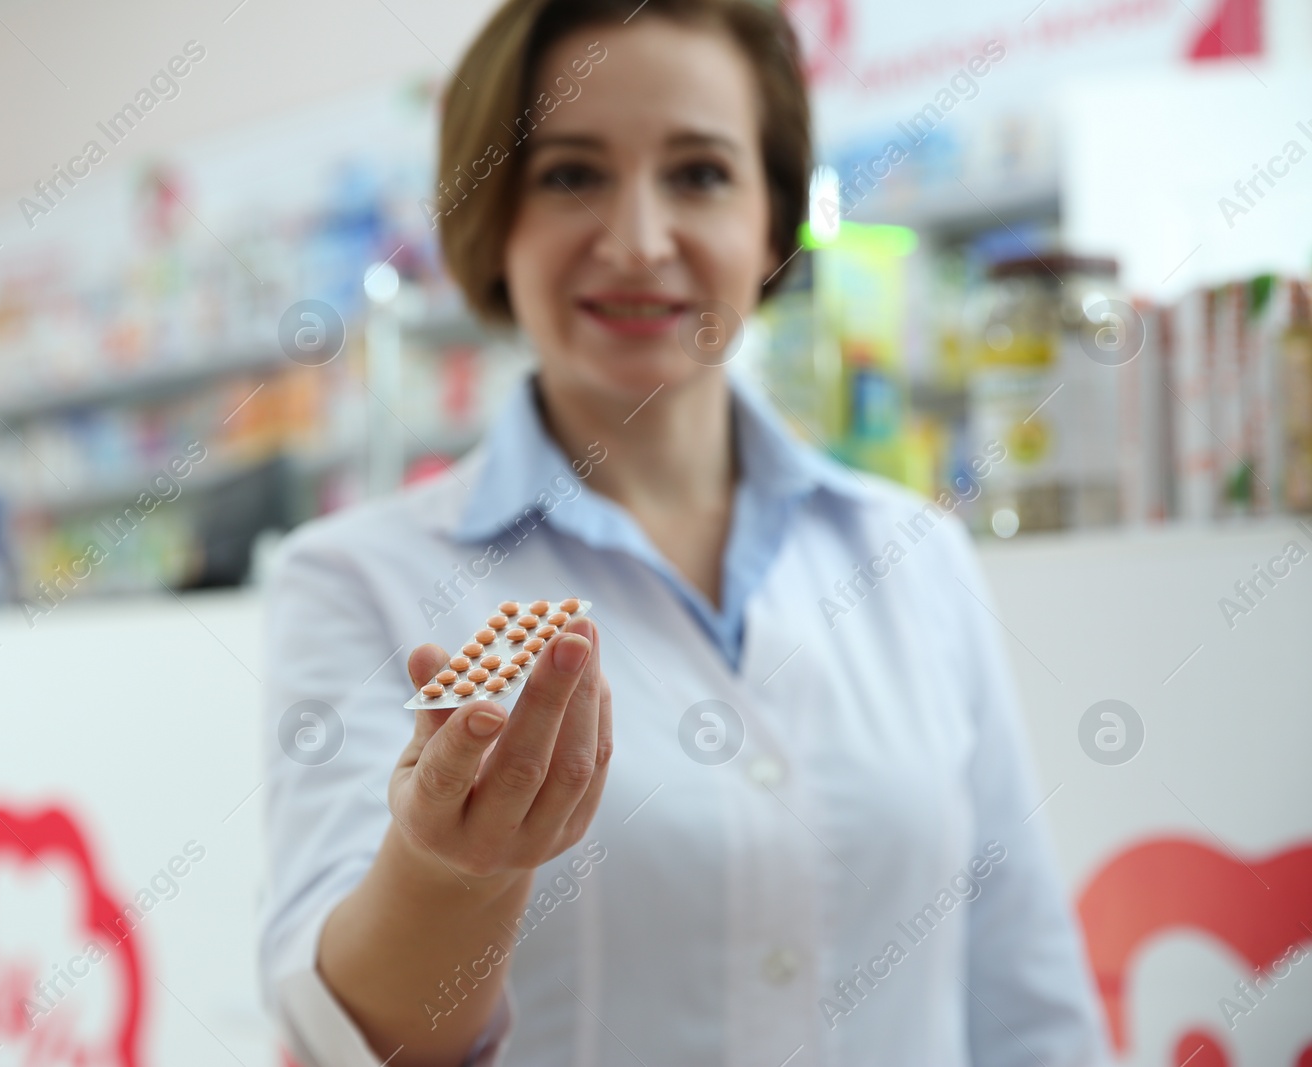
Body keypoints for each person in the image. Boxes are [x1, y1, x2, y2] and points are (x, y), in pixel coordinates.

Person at [260, 0, 1109, 1063]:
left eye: (699, 173)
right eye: (571, 173)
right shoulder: (355, 578)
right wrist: (446, 872)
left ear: (773, 216)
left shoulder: (915, 555)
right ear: (493, 214)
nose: (639, 240)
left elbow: (1026, 1001)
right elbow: (344, 1041)